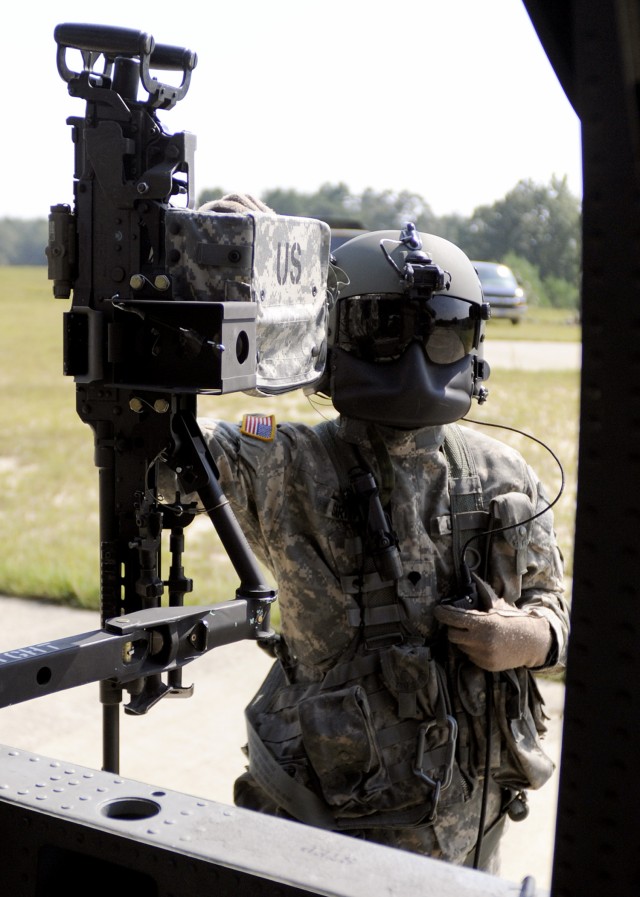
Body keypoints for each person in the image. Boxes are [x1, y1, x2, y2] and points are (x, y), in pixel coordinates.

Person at [192, 199, 570, 870]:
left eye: (443, 330)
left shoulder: (503, 475)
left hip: (465, 834)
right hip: (321, 828)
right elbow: (178, 446)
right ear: (335, 334)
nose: (416, 355)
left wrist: (526, 637)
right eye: (382, 329)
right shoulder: (285, 455)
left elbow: (557, 611)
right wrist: (232, 270)